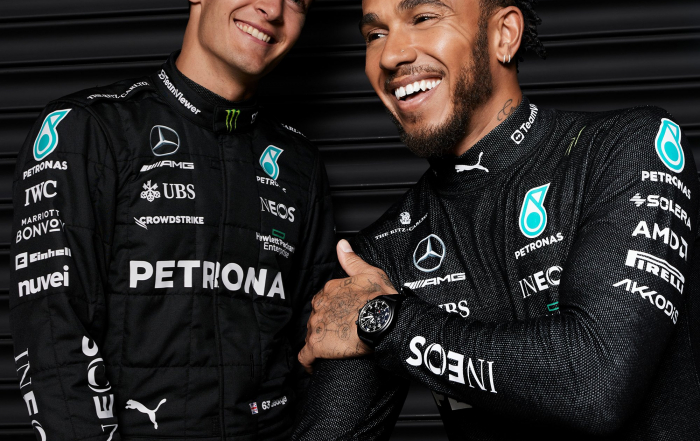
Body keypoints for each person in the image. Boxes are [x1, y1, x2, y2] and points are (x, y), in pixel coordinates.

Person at [294, 0, 700, 439]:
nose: (390, 55)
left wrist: (389, 323)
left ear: (504, 34)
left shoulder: (630, 147)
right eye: (375, 35)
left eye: (424, 18)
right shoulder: (379, 255)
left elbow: (595, 384)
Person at [10, 0, 335, 440]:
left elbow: (313, 346)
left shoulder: (299, 162)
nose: (272, 8)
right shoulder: (87, 129)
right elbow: (53, 334)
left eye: (297, 0)